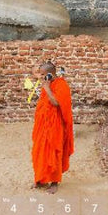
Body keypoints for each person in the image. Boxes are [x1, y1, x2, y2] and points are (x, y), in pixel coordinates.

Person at [31, 61, 75, 193]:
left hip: (56, 126)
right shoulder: (48, 82)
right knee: (40, 151)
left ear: (50, 74)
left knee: (54, 152)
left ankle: (55, 182)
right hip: (43, 125)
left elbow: (56, 103)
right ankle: (40, 179)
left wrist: (47, 88)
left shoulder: (62, 85)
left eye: (43, 74)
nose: (41, 77)